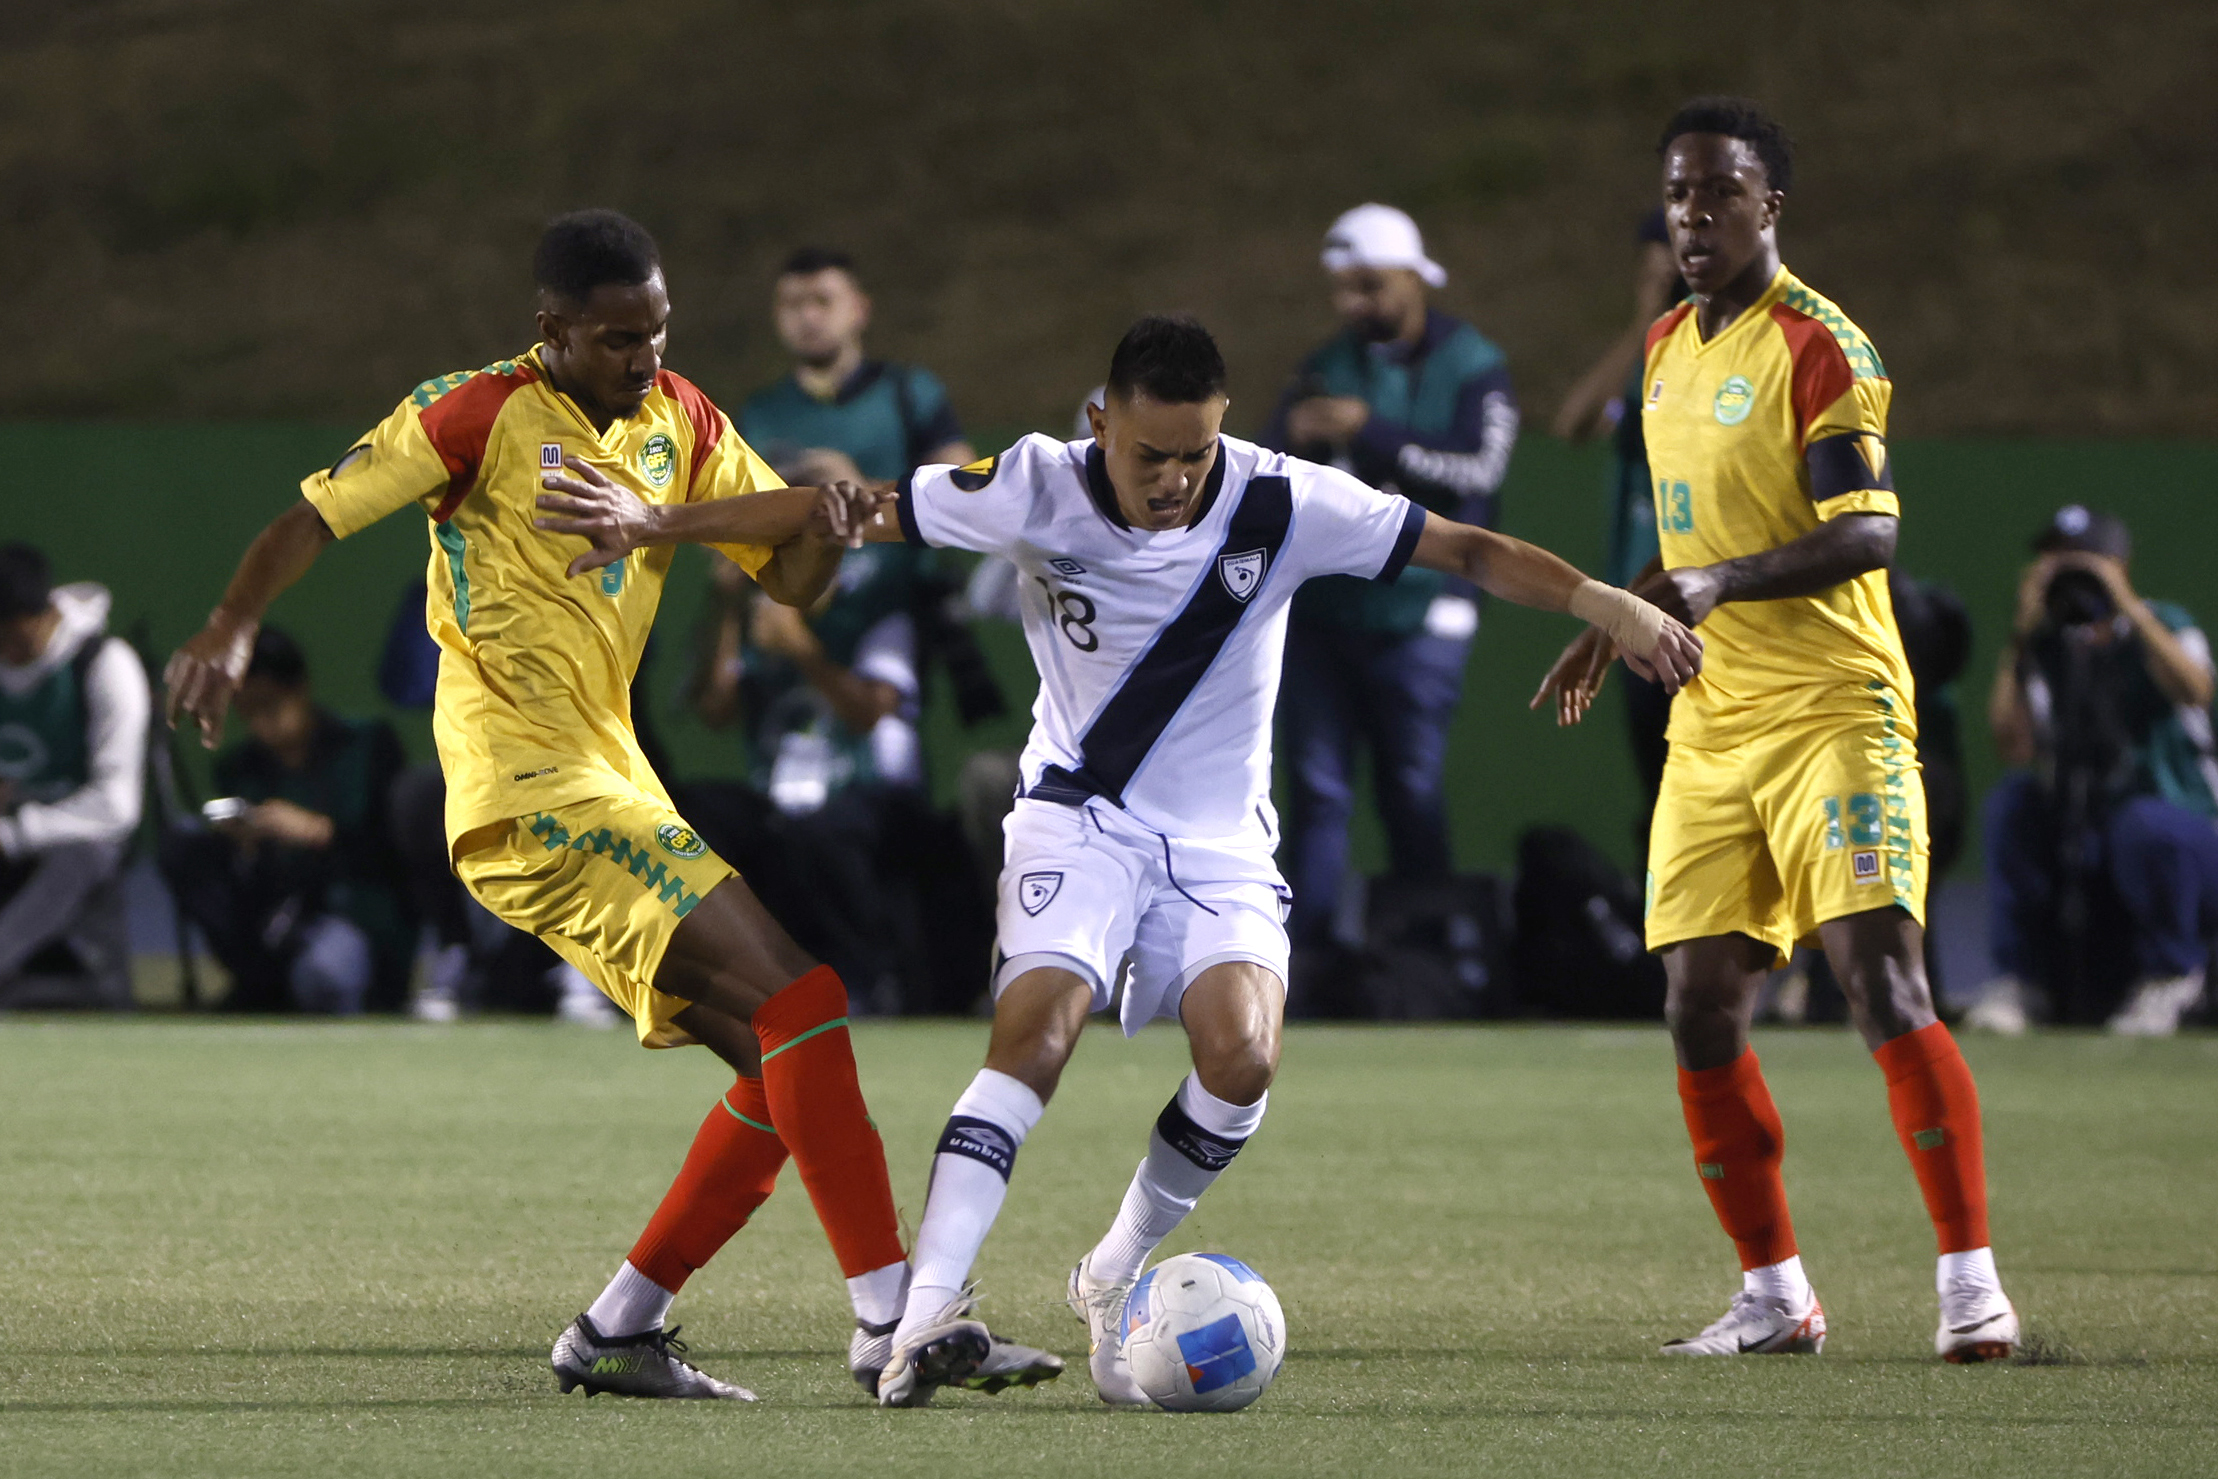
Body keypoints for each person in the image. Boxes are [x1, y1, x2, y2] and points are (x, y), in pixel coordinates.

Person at [163, 210, 1056, 1402]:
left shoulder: (680, 419)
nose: (644, 356)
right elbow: (312, 517)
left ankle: (620, 1328)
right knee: (805, 996)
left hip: (609, 778)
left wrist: (828, 533)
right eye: (619, 337)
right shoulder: (473, 413)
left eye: (657, 331)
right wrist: (229, 623)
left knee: (778, 1060)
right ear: (553, 331)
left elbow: (782, 566)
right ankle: (895, 1319)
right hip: (522, 788)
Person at [824, 314, 1691, 1406]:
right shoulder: (1035, 483)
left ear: (1223, 428)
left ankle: (1108, 1272)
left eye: (1197, 452)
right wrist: (659, 521)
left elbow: (1465, 547)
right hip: (1078, 818)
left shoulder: (1285, 499)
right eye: (1152, 455)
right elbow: (846, 511)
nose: (1178, 477)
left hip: (1221, 844)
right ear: (1102, 425)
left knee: (1243, 1059)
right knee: (1035, 1033)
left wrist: (1604, 602)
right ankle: (924, 1317)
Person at [1534, 98, 2019, 1362]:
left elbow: (1870, 534)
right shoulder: (1660, 350)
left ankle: (1970, 1286)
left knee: (1879, 979)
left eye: (1721, 195)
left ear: (1770, 206)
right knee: (1697, 1005)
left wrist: (1716, 586)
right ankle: (1773, 1296)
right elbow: (1694, 535)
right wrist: (1618, 607)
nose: (1695, 218)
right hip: (1710, 716)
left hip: (1831, 711)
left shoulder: (1822, 346)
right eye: (1679, 198)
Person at [1261, 204, 1520, 960]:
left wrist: (1364, 430)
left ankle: (1428, 956)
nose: (1353, 304)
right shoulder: (1324, 364)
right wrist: (1296, 439)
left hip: (1422, 611)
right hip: (1326, 612)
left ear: (1413, 277)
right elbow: (1268, 475)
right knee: (1316, 794)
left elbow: (1479, 468)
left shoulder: (1473, 364)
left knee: (1411, 787)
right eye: (1343, 289)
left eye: (1369, 285)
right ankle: (1296, 966)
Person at [1972, 505, 2218, 1035]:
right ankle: (2021, 983)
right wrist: (2021, 634)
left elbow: (2196, 690)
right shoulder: (2047, 647)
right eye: (2053, 564)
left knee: (2142, 824)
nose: (2066, 576)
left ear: (2118, 566)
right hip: (2089, 825)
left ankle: (2173, 975)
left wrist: (2126, 606)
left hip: (2181, 831)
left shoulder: (2165, 624)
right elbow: (2012, 743)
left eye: (2079, 564)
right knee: (2014, 801)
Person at [162, 627, 411, 1013]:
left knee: (324, 975)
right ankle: (255, 979)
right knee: (186, 846)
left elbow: (394, 852)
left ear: (300, 689)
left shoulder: (368, 745)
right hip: (272, 913)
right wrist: (244, 842)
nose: (261, 724)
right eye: (246, 712)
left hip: (353, 914)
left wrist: (316, 831)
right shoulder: (239, 766)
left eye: (271, 706)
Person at [1553, 208, 1685, 854]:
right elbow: (1575, 422)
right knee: (1660, 796)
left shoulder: (1725, 353)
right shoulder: (1643, 356)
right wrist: (1643, 322)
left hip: (1709, 609)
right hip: (1639, 612)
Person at [0, 543, 147, 1010]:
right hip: (10, 827)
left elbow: (117, 806)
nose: (5, 652)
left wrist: (16, 832)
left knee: (81, 857)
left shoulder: (105, 666)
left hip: (81, 840)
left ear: (43, 616)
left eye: (12, 638)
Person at [738, 246, 975, 487]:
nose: (808, 316)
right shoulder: (758, 415)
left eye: (823, 301)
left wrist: (858, 489)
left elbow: (960, 492)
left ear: (859, 309)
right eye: (793, 303)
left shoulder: (910, 393)